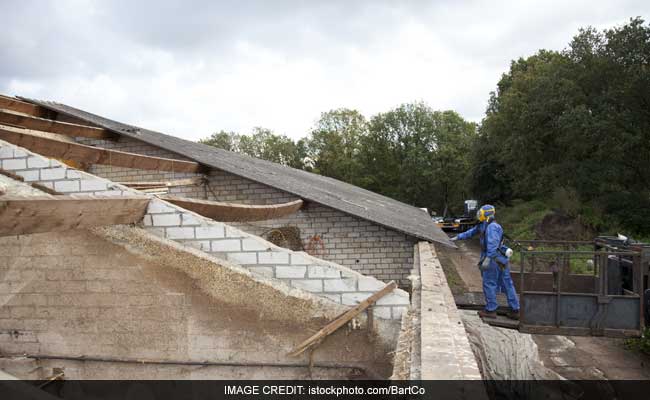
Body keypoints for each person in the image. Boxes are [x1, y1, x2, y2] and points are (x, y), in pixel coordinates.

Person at [451, 204, 520, 320]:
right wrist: (458, 237)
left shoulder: (492, 227)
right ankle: (515, 310)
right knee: (507, 284)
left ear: (486, 214)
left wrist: (487, 260)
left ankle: (491, 310)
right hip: (501, 259)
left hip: (493, 259)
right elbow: (472, 232)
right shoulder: (484, 224)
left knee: (489, 283)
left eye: (481, 213)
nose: (479, 215)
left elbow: (492, 246)